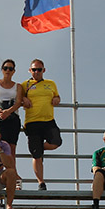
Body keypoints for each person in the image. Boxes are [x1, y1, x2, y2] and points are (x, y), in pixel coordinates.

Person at [20, 58, 61, 190]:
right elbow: (17, 98)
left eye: (39, 69)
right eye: (34, 69)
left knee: (56, 142)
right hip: (32, 122)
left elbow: (57, 96)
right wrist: (23, 98)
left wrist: (57, 99)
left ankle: (39, 148)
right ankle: (41, 182)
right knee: (36, 155)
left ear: (44, 70)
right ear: (29, 70)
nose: (36, 72)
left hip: (48, 120)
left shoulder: (51, 83)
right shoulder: (24, 85)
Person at [0, 59, 24, 159]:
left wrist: (8, 111)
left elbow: (18, 102)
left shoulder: (18, 86)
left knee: (12, 148)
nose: (8, 70)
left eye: (10, 69)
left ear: (14, 71)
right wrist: (0, 111)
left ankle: (11, 168)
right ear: (2, 70)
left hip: (13, 118)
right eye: (5, 68)